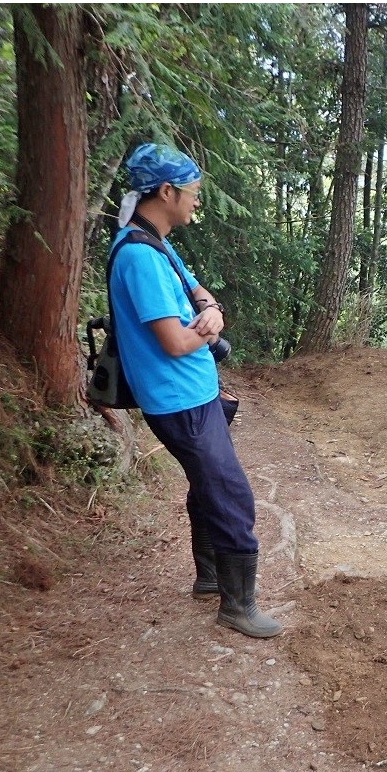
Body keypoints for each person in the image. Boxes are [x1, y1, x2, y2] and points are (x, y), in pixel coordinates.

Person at [108, 142, 281, 639]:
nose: (197, 201)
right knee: (231, 494)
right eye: (192, 193)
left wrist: (209, 310)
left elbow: (199, 291)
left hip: (193, 394)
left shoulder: (155, 241)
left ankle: (210, 578)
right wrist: (207, 326)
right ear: (166, 192)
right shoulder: (139, 256)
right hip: (177, 400)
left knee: (211, 485)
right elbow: (175, 339)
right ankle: (237, 604)